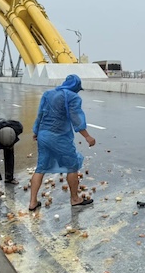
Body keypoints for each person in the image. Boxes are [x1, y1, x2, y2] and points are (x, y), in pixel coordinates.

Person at [29, 74, 96, 211]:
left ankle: (32, 202)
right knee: (72, 166)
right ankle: (75, 199)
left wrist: (36, 131)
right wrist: (87, 137)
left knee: (40, 167)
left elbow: (40, 114)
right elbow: (76, 118)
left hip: (43, 135)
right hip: (59, 137)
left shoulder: (48, 94)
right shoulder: (72, 97)